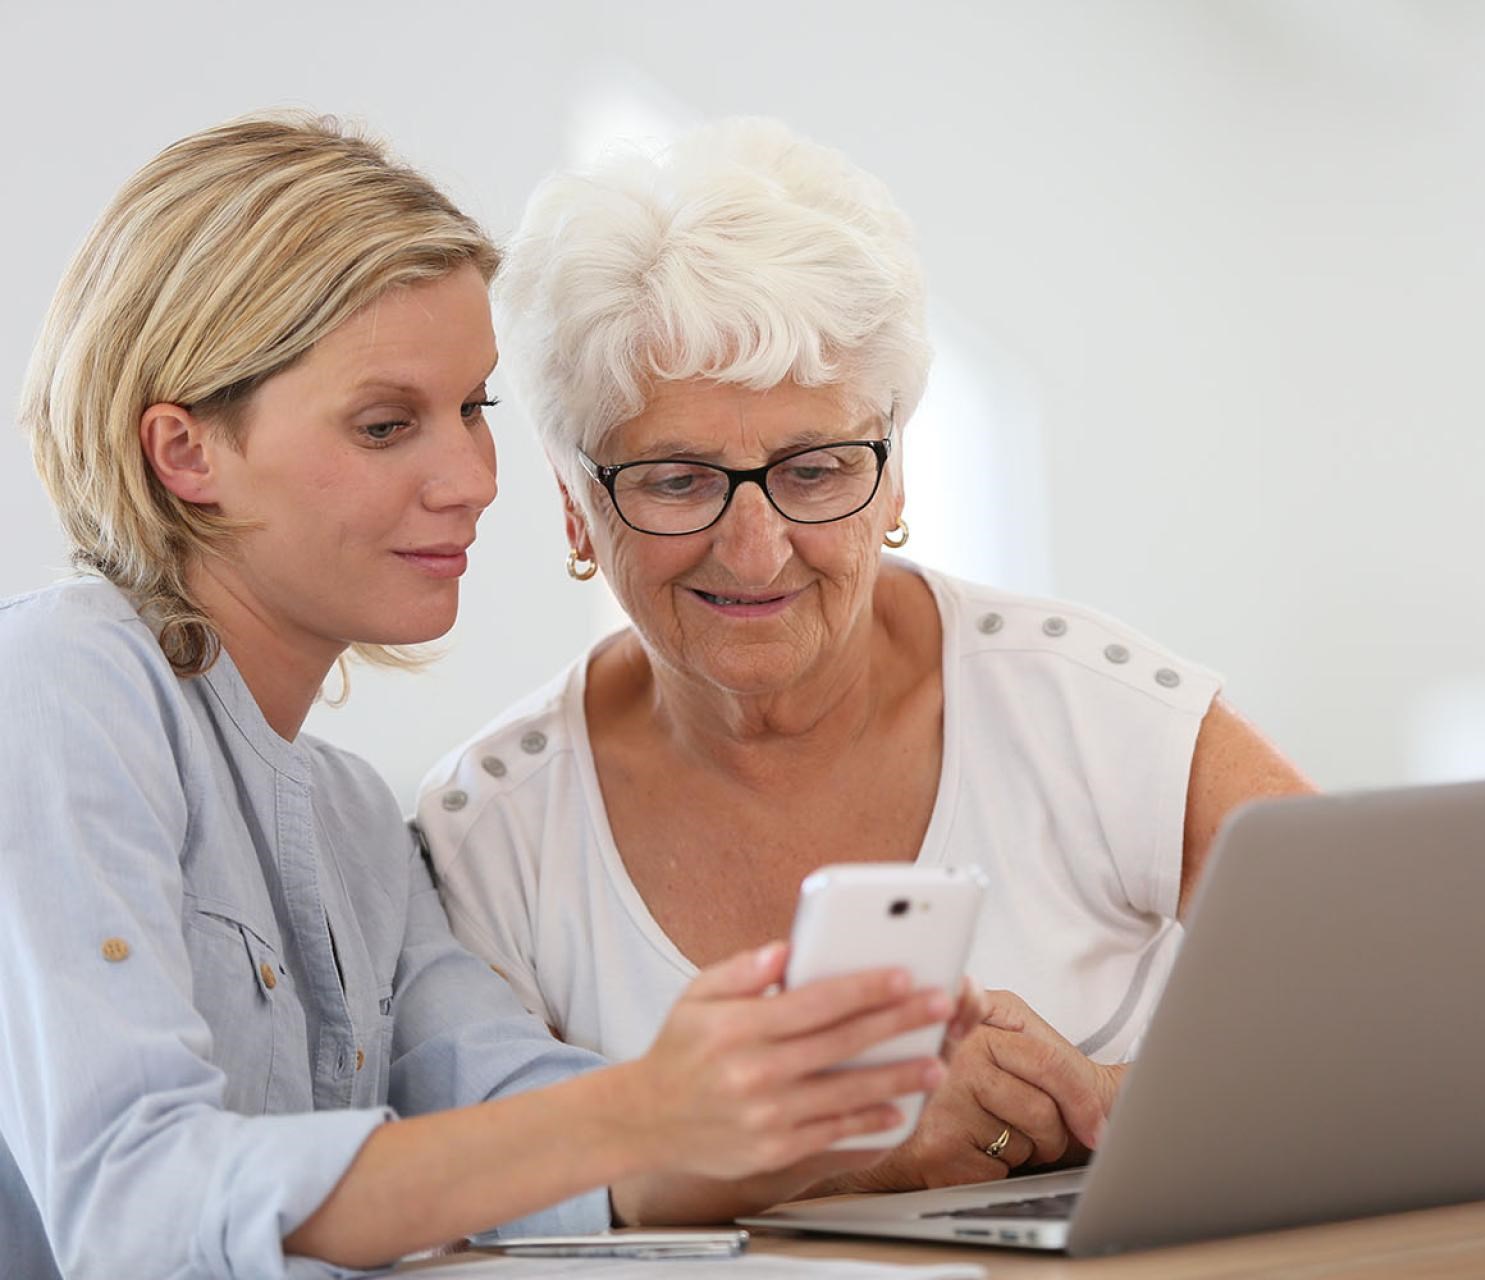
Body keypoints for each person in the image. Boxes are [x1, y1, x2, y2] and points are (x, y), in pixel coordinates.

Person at [0, 113, 973, 1280]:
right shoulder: (62, 682)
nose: (470, 480)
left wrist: (822, 1107)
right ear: (185, 452)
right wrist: (644, 1112)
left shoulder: (355, 817)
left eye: (474, 409)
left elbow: (539, 1122)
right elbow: (131, 1205)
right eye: (385, 424)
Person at [415, 117, 1314, 1218]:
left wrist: (1108, 1102)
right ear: (575, 504)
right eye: (678, 480)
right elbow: (479, 1201)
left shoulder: (1093, 709)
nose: (755, 549)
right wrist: (866, 1153)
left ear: (893, 482)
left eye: (815, 468)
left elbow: (1403, 995)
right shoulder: (491, 830)